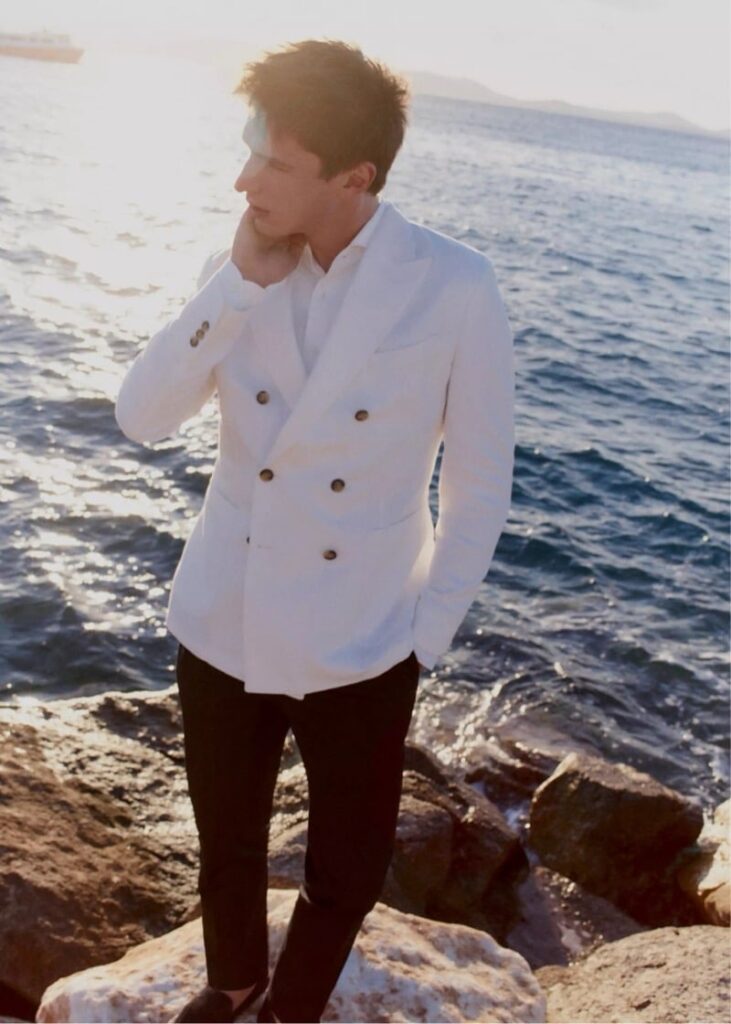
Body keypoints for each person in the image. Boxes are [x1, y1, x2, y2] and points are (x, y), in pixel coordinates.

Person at [115, 38, 515, 1024]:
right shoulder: (237, 264)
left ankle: (292, 1008)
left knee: (345, 860)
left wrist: (421, 638)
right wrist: (237, 285)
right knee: (228, 834)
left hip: (366, 629)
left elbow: (477, 487)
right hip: (225, 608)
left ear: (354, 178)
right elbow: (140, 415)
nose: (242, 178)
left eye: (274, 164)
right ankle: (234, 980)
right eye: (250, 150)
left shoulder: (453, 286)